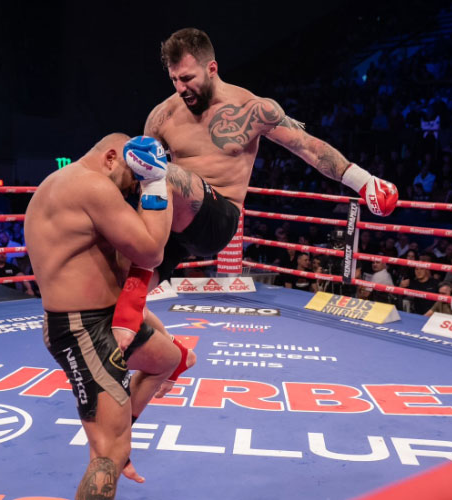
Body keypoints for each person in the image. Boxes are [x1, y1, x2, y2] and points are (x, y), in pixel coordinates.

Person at [144, 28, 398, 286]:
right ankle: (132, 302)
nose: (180, 88)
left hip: (219, 220)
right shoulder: (161, 116)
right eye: (174, 79)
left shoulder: (253, 109)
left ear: (211, 68)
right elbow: (145, 175)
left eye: (187, 78)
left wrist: (363, 181)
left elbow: (307, 147)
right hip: (175, 218)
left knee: (168, 175)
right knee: (130, 263)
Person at [24, 133, 194, 498]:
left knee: (167, 359)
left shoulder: (71, 186)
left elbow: (121, 269)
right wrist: (155, 182)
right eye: (132, 179)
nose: (130, 190)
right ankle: (112, 442)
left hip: (104, 317)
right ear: (112, 157)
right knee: (108, 454)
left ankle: (115, 431)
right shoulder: (91, 185)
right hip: (82, 329)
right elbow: (150, 253)